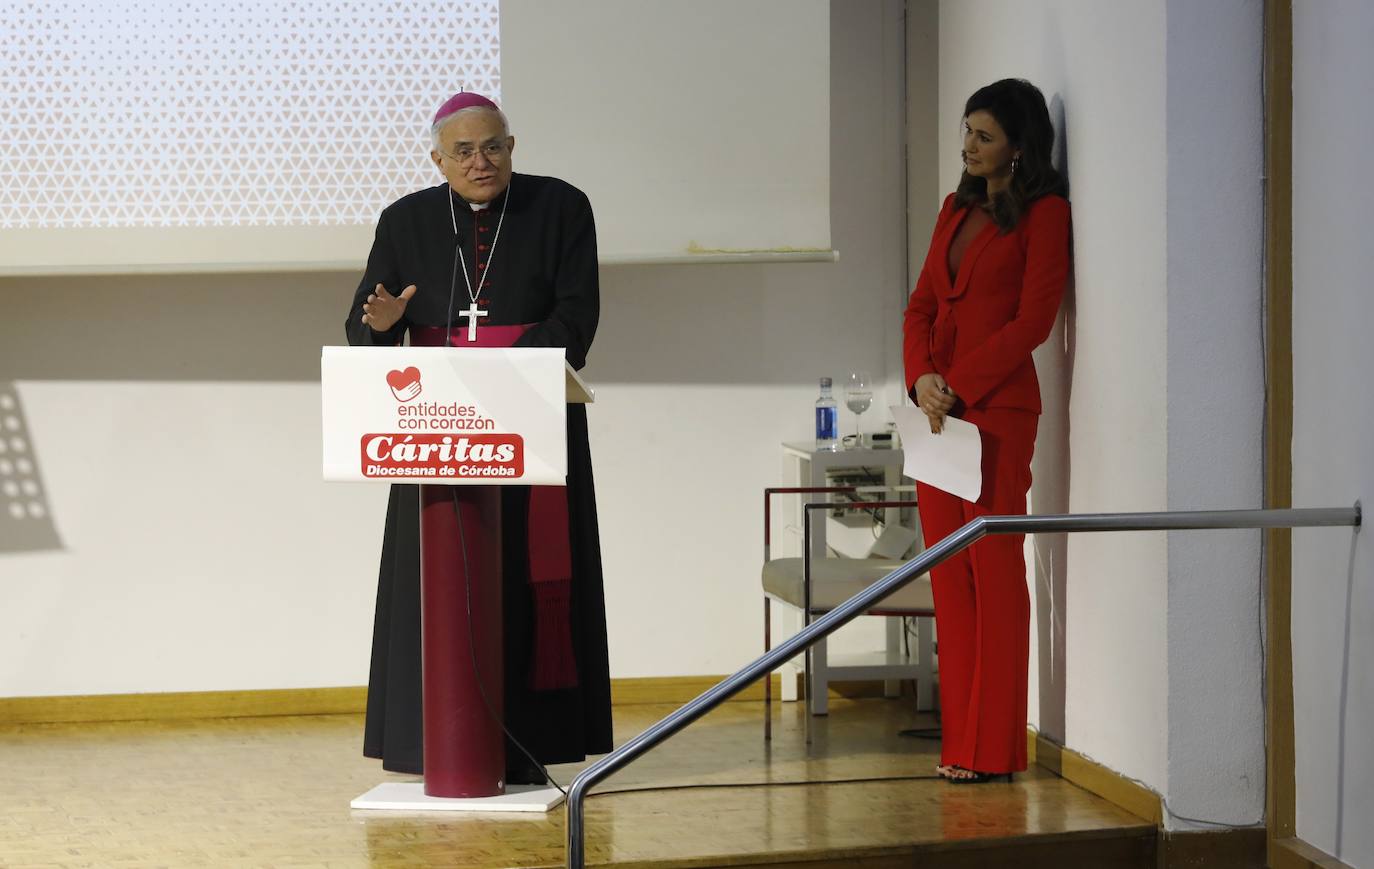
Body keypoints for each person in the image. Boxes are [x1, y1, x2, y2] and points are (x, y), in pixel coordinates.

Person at [344, 91, 612, 784]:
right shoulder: (405, 220)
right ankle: (431, 740)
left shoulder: (560, 207)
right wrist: (380, 324)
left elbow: (577, 317)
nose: (480, 161)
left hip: (530, 411)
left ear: (512, 146)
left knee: (530, 572)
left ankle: (528, 741)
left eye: (492, 145)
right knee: (437, 577)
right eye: (462, 151)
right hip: (440, 424)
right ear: (438, 159)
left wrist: (504, 369)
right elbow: (366, 322)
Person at [902, 78, 1071, 784]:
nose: (968, 147)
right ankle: (958, 744)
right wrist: (921, 382)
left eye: (984, 136)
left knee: (994, 570)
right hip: (936, 415)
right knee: (949, 576)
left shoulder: (1045, 213)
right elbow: (919, 306)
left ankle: (995, 746)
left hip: (997, 413)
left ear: (1019, 147)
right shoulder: (953, 208)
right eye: (967, 132)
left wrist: (961, 384)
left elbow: (1034, 323)